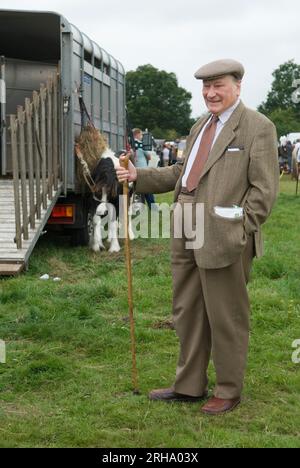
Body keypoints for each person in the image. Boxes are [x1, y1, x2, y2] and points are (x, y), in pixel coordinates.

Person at [117, 59, 279, 415]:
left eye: (218, 85)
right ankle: (189, 385)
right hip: (184, 226)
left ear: (237, 86)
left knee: (226, 314)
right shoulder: (200, 125)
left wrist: (238, 228)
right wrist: (137, 177)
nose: (210, 93)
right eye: (206, 87)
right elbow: (182, 172)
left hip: (225, 236)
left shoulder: (258, 127)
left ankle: (228, 389)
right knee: (187, 310)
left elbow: (264, 191)